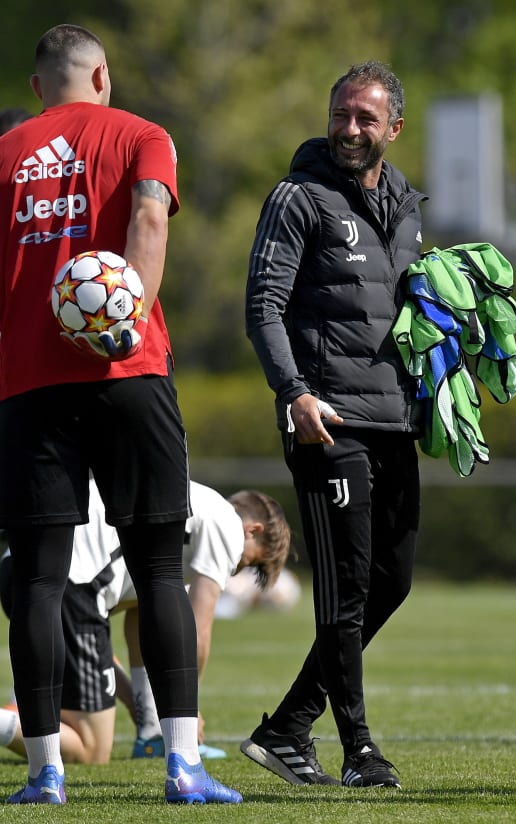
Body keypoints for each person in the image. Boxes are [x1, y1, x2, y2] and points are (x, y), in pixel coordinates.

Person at [0, 24, 240, 804]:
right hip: (127, 369)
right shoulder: (143, 133)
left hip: (30, 383)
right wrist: (123, 316)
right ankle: (183, 764)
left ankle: (44, 774)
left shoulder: (5, 152)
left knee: (37, 581)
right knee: (160, 566)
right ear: (102, 75)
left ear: (39, 87)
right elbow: (148, 219)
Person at [241, 60, 426, 789]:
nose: (350, 130)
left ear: (394, 128)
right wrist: (294, 393)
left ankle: (287, 727)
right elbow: (263, 306)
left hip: (395, 417)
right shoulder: (297, 197)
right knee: (345, 589)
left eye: (366, 119)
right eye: (342, 115)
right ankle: (359, 751)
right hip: (325, 417)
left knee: (394, 580)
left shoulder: (408, 205)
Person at [0, 478, 291, 764]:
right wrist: (185, 711)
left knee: (147, 610)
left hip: (22, 565)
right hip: (72, 583)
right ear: (252, 530)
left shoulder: (190, 504)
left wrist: (146, 715)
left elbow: (141, 622)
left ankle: (151, 733)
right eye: (250, 562)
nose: (238, 570)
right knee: (91, 749)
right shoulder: (227, 525)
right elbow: (197, 631)